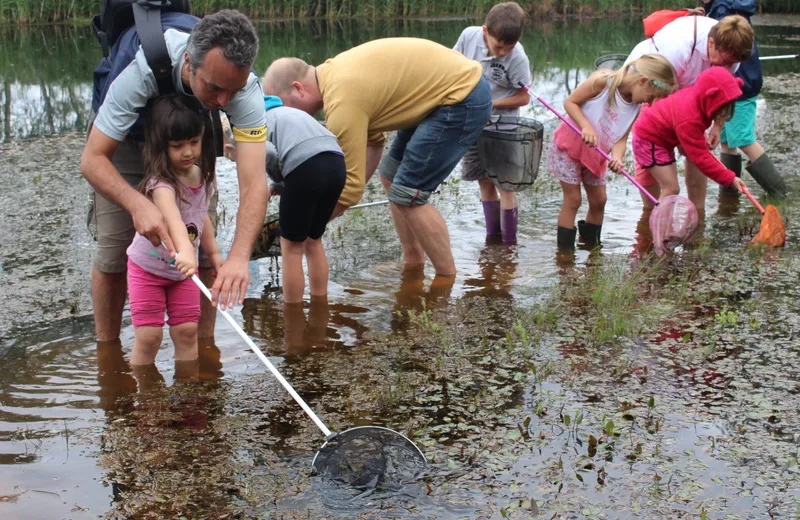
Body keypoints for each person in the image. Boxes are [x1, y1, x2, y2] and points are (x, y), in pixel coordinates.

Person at [81, 9, 268, 343]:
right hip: (125, 138)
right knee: (114, 255)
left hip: (190, 135)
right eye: (214, 87)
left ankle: (202, 353)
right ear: (188, 62)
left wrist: (240, 257)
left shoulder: (246, 90)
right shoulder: (139, 66)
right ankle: (107, 352)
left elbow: (255, 184)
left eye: (233, 91)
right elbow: (93, 160)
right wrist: (138, 204)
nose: (224, 101)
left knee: (205, 252)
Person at [263, 38, 492, 277]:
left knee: (408, 193)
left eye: (283, 106)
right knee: (391, 178)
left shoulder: (341, 101)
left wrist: (300, 229)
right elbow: (373, 143)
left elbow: (350, 189)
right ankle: (413, 263)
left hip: (461, 96)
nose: (285, 115)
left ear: (298, 88)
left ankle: (446, 278)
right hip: (443, 94)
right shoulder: (334, 78)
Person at [124, 94, 222, 366]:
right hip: (148, 270)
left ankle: (189, 397)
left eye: (193, 142)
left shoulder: (201, 177)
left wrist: (213, 254)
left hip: (182, 274)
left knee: (187, 332)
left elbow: (201, 217)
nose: (188, 152)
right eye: (177, 146)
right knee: (149, 337)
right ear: (161, 147)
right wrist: (187, 252)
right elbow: (174, 219)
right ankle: (147, 400)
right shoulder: (161, 184)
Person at [624, 13, 754, 211]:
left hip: (689, 97)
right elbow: (658, 93)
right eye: (723, 60)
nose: (725, 66)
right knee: (654, 144)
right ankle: (651, 212)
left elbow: (722, 96)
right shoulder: (678, 46)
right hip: (653, 84)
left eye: (731, 63)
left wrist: (716, 127)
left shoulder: (730, 53)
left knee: (697, 149)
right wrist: (682, 133)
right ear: (711, 43)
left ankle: (697, 212)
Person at [549, 54, 679, 251]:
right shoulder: (603, 84)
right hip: (570, 148)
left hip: (596, 155)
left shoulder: (635, 107)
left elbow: (620, 138)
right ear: (642, 81)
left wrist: (617, 157)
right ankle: (565, 255)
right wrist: (586, 126)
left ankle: (591, 248)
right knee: (573, 199)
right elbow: (570, 102)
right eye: (651, 97)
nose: (650, 102)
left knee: (599, 200)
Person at [228, 94, 346, 303]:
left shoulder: (251, 123)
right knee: (313, 240)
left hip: (305, 166)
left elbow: (270, 154)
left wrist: (274, 181)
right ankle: (321, 303)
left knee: (291, 247)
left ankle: (293, 313)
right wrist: (281, 186)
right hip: (336, 164)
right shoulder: (286, 112)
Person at [453, 2, 532, 244]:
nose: (502, 53)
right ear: (486, 32)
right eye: (499, 46)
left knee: (505, 186)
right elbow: (453, 66)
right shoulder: (469, 36)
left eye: (508, 48)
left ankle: (509, 245)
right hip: (474, 126)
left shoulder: (517, 58)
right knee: (484, 182)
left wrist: (490, 105)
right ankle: (491, 239)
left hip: (503, 129)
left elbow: (524, 96)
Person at [703, 0, 787, 197]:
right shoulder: (724, 7)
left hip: (740, 85)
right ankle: (729, 194)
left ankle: (779, 194)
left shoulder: (723, 9)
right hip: (738, 82)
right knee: (726, 141)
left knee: (743, 138)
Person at [632, 67, 747, 208]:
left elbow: (701, 151)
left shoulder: (697, 97)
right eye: (720, 111)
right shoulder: (689, 119)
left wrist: (717, 126)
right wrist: (729, 178)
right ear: (710, 98)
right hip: (648, 140)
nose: (722, 115)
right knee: (671, 188)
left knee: (672, 188)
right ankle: (657, 226)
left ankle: (664, 222)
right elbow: (701, 158)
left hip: (663, 138)